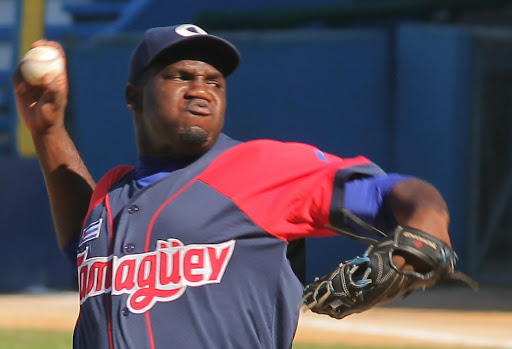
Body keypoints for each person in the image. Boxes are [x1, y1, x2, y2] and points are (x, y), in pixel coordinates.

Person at [13, 24, 460, 349]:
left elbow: (395, 193)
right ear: (134, 96)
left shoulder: (263, 167)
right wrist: (47, 130)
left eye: (214, 82)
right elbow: (86, 246)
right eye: (181, 76)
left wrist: (428, 230)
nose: (201, 90)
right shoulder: (111, 192)